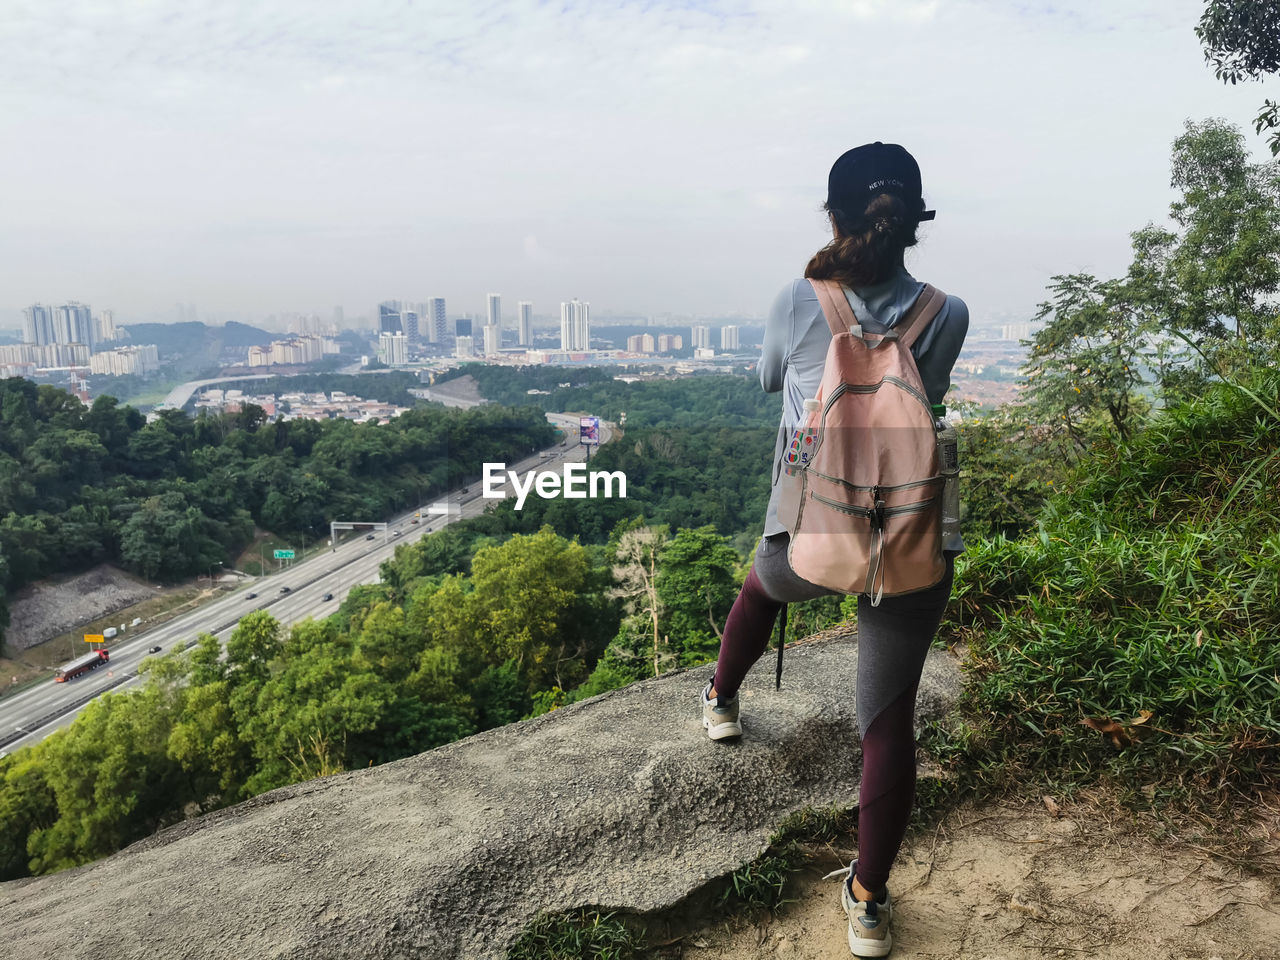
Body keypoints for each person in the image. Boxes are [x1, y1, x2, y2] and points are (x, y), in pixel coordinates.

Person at [699, 142, 969, 958]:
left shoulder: (800, 297)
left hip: (811, 530)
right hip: (911, 538)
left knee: (762, 583)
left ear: (835, 216)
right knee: (887, 722)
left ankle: (720, 700)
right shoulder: (947, 313)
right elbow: (935, 398)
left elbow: (768, 380)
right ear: (914, 222)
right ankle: (867, 899)